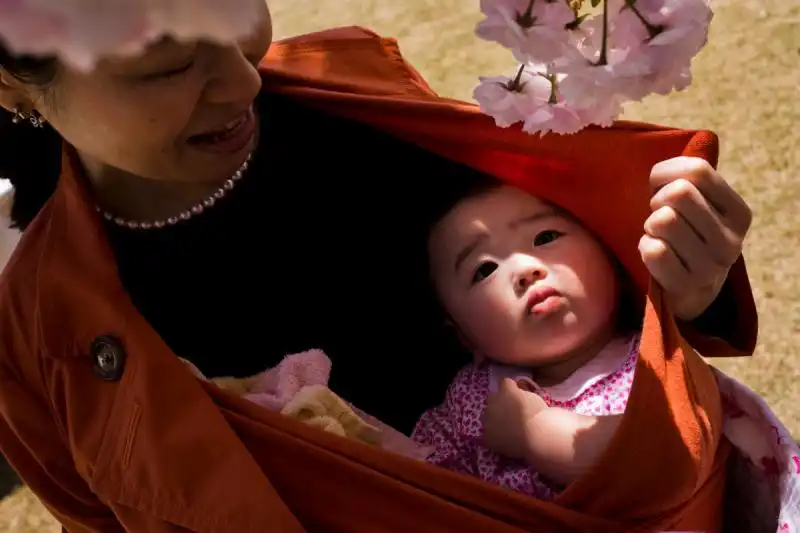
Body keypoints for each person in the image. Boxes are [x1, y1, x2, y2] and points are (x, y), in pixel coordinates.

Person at [0, 3, 758, 531]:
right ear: (11, 85)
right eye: (167, 67)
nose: (243, 81)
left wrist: (679, 289)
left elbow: (556, 286)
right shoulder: (37, 332)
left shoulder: (358, 95)